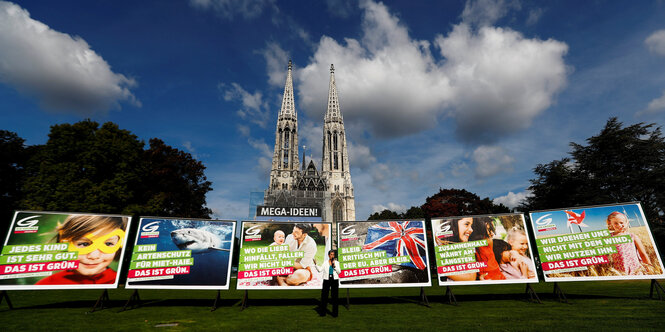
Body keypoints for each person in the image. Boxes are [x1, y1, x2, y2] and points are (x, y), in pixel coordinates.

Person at [36, 215, 127, 285]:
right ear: (64, 243)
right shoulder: (48, 283)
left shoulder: (119, 281)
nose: (93, 256)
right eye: (84, 244)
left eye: (108, 244)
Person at [319, 250, 341, 317]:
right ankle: (323, 313)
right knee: (324, 296)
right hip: (327, 279)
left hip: (334, 280)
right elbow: (320, 270)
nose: (332, 256)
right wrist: (315, 264)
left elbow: (339, 272)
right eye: (331, 254)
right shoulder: (325, 263)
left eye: (333, 254)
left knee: (334, 297)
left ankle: (335, 314)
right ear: (328, 255)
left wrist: (334, 266)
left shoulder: (336, 263)